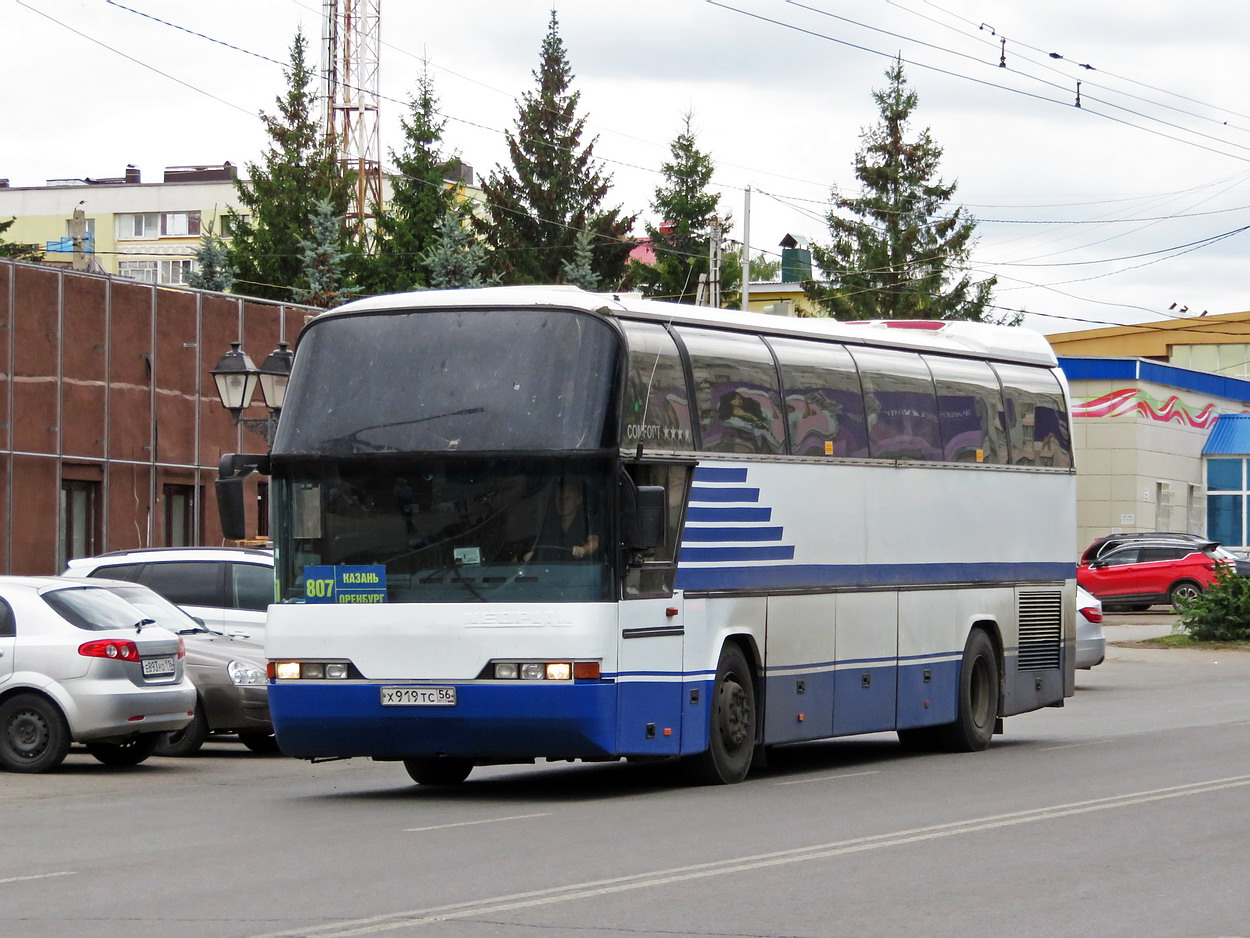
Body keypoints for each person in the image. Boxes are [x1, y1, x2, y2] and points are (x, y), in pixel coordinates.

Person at [526, 482, 600, 561]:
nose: (562, 502)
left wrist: (583, 550)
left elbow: (594, 543)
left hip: (580, 571)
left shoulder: (588, 522)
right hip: (550, 571)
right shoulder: (549, 526)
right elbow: (534, 548)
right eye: (559, 498)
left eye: (567, 498)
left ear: (579, 500)